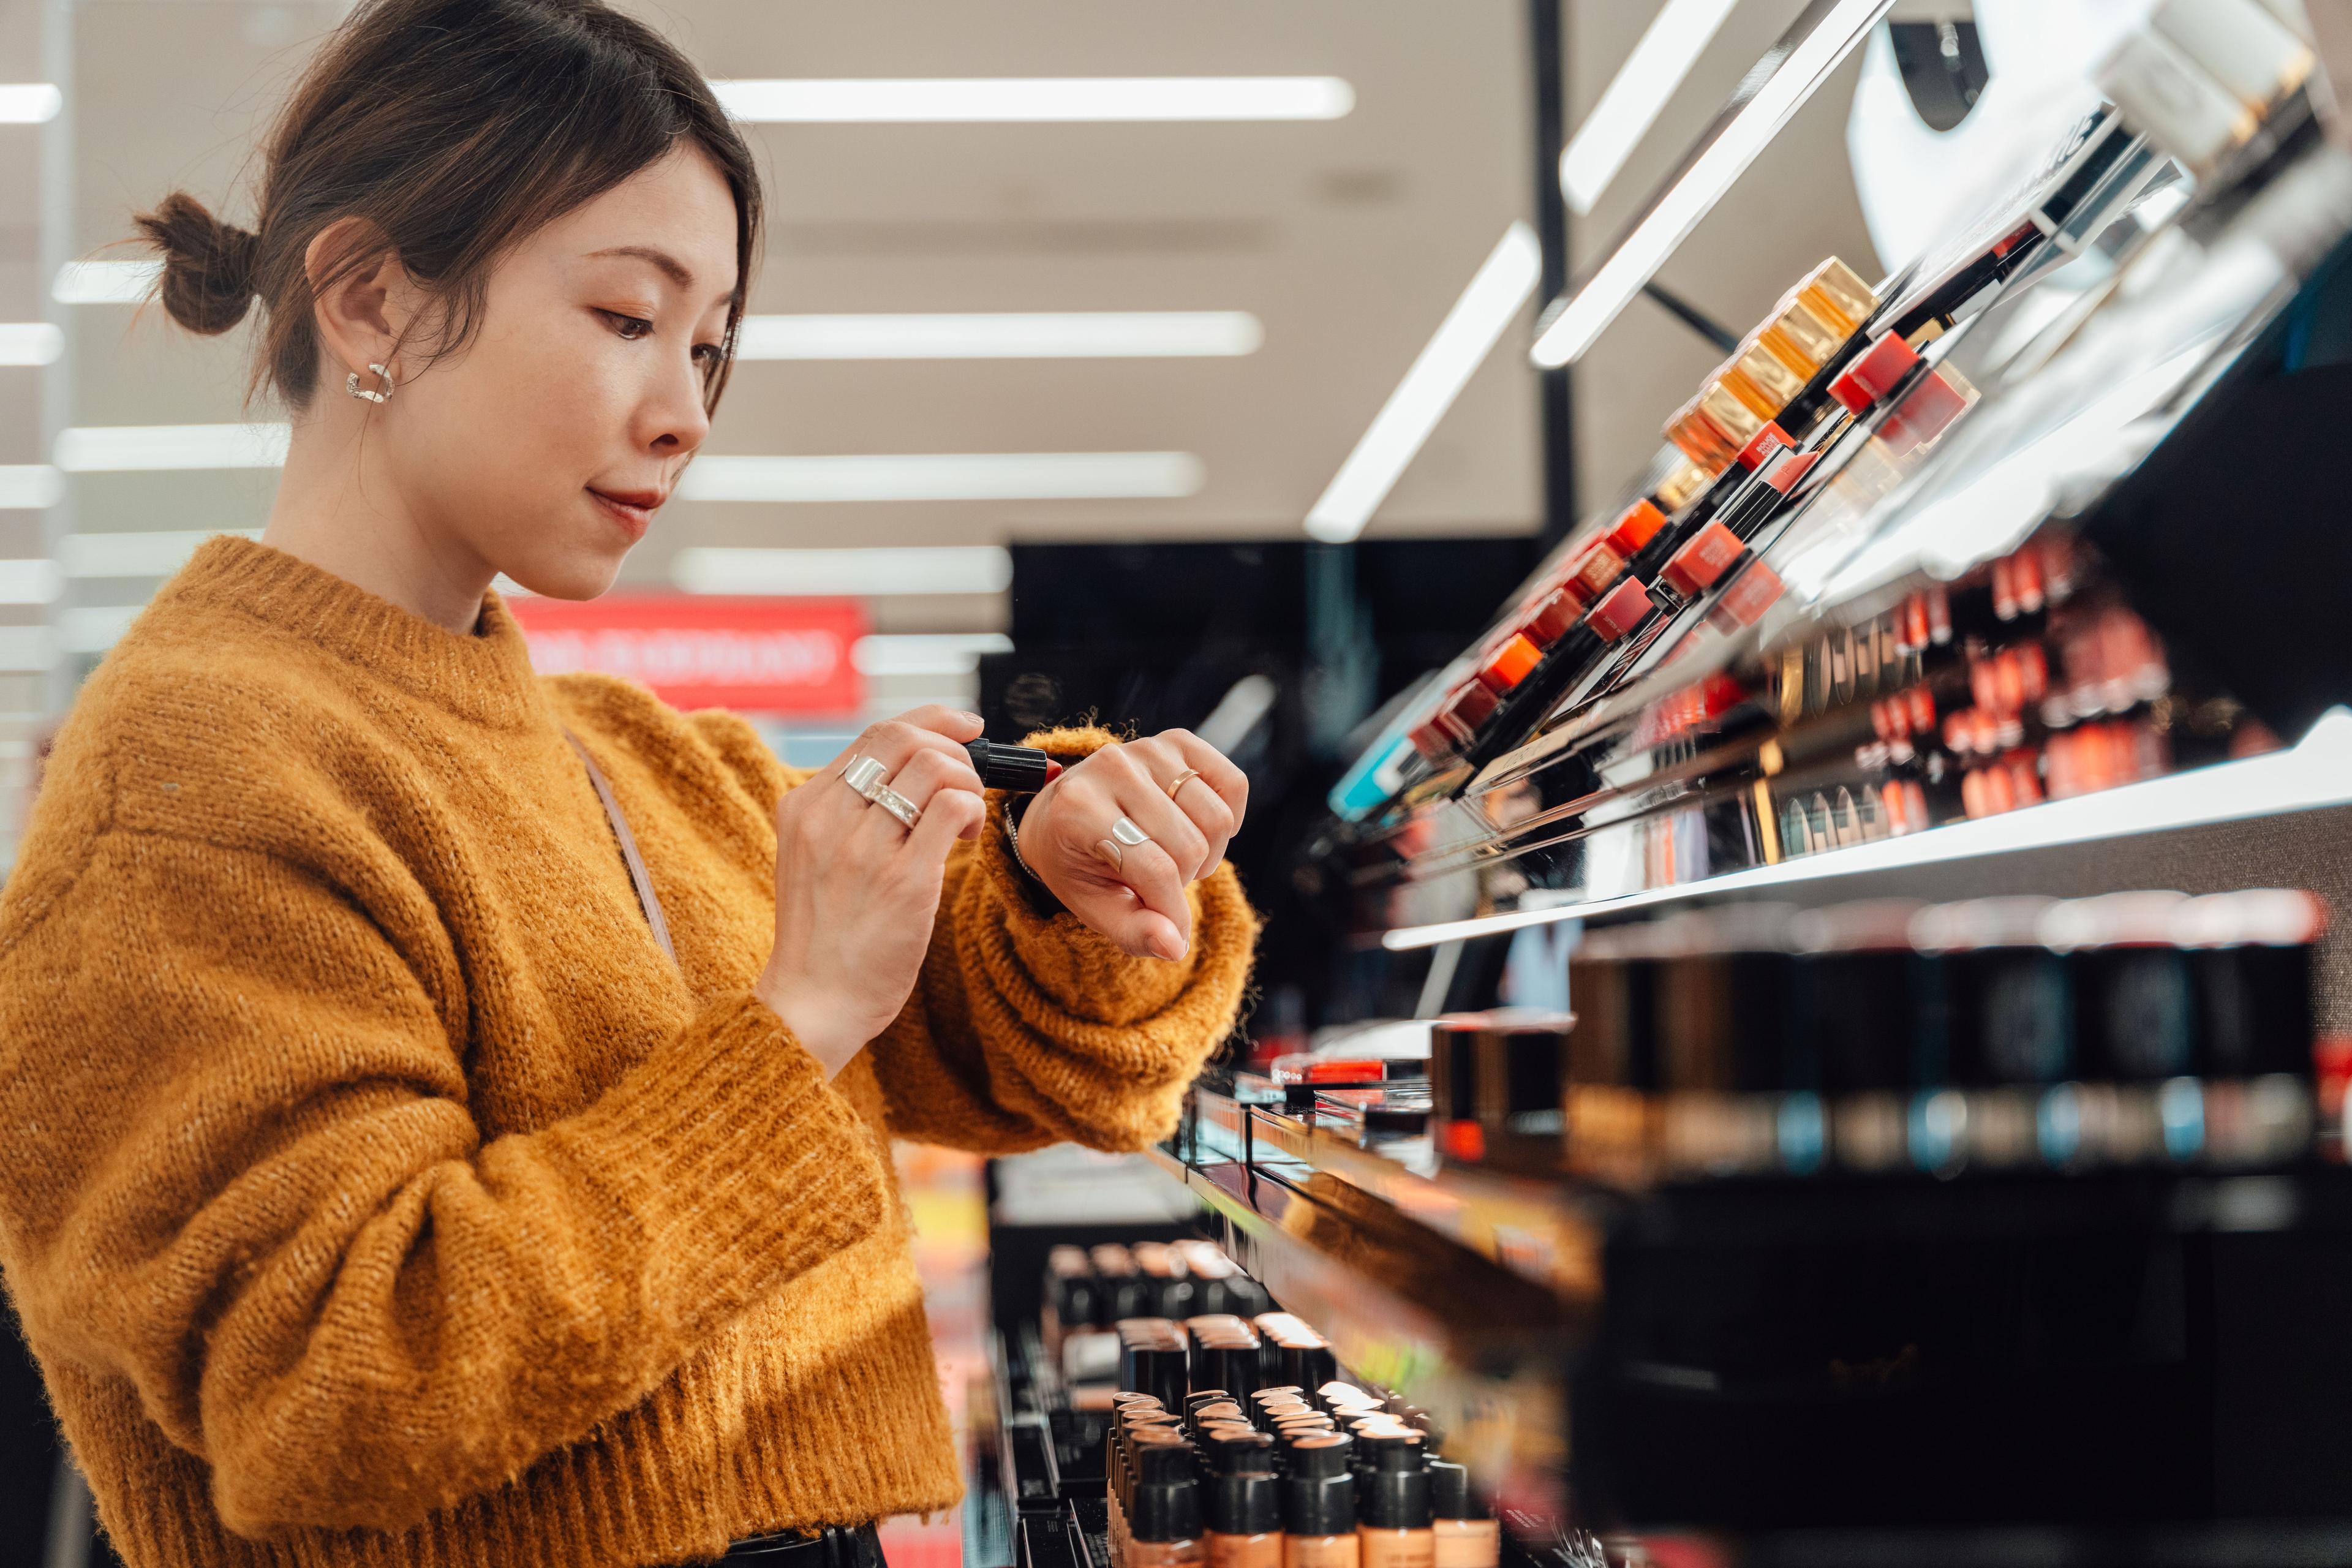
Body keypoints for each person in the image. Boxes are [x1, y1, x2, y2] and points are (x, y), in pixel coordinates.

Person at [0, 2, 1259, 1566]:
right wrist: (794, 1021)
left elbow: (1041, 1069)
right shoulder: (193, 768)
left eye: (711, 342)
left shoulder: (648, 761)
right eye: (624, 317)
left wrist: (1070, 887)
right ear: (372, 296)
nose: (686, 412)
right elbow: (334, 1378)